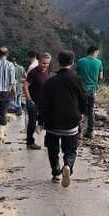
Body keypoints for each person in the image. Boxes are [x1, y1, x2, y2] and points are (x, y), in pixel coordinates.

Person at [39, 50, 87, 187]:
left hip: (52, 123)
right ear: (72, 63)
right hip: (71, 122)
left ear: (58, 62)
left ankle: (55, 172)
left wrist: (40, 121)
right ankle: (68, 165)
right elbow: (83, 100)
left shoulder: (50, 81)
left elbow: (43, 103)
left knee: (52, 149)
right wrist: (82, 113)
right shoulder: (76, 80)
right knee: (70, 150)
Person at [23, 52, 51, 150]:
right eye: (43, 63)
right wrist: (29, 99)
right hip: (33, 102)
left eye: (47, 63)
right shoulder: (33, 72)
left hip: (44, 102)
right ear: (39, 61)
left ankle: (48, 142)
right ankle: (30, 142)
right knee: (32, 122)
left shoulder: (47, 71)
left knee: (47, 121)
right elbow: (25, 85)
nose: (45, 65)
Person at [75, 45, 104, 138]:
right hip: (92, 89)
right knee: (90, 110)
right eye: (97, 53)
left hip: (81, 89)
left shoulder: (80, 61)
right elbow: (101, 77)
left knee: (79, 110)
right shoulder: (99, 62)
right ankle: (90, 131)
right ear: (95, 52)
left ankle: (79, 132)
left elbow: (77, 75)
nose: (98, 55)